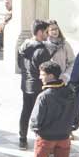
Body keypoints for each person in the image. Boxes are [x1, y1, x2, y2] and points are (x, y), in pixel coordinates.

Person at [30, 62, 79, 157]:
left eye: (42, 74)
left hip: (45, 138)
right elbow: (76, 120)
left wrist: (38, 131)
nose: (40, 77)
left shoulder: (44, 95)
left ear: (51, 76)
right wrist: (68, 129)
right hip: (64, 137)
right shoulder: (70, 92)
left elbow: (36, 121)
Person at [17, 20, 52, 149]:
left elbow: (20, 65)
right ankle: (41, 141)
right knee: (41, 113)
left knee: (26, 111)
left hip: (26, 84)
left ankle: (22, 138)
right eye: (46, 32)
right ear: (39, 32)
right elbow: (47, 71)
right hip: (38, 86)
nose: (48, 35)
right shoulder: (42, 51)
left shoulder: (23, 46)